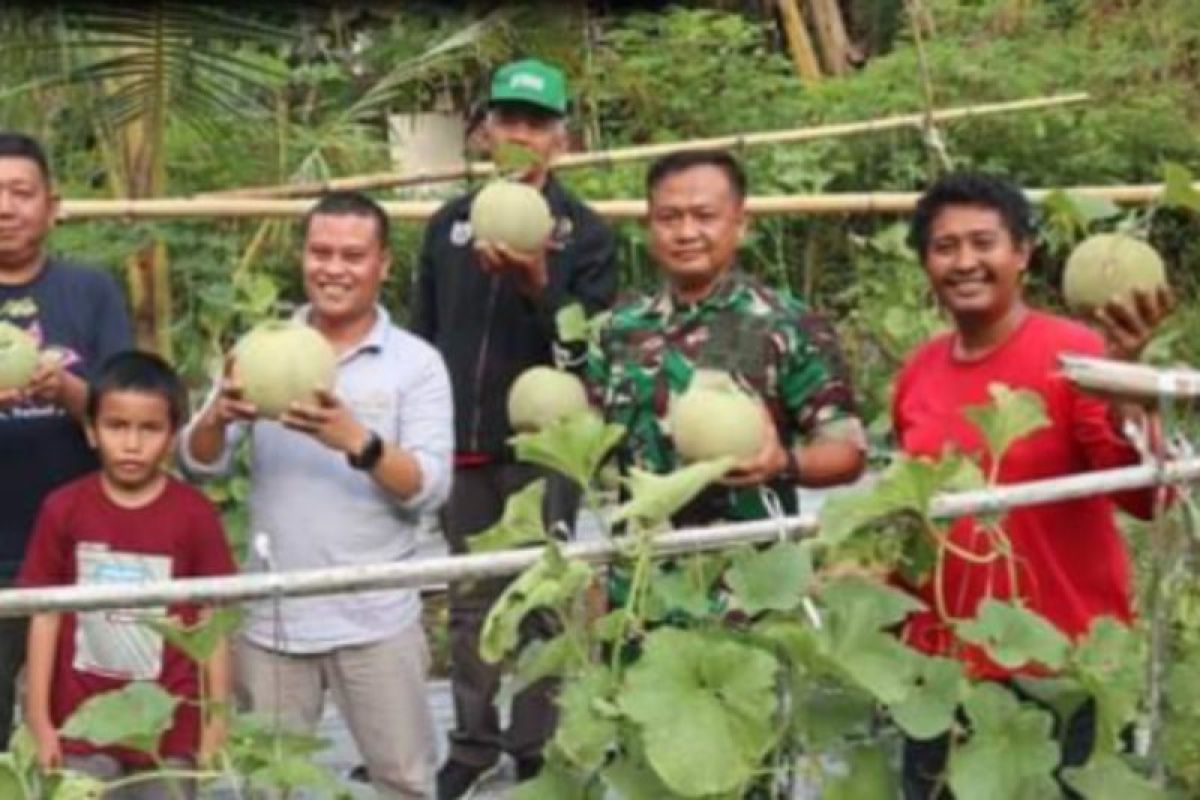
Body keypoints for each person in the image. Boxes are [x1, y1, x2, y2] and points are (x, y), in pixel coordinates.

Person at [893, 172, 1172, 798]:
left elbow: (1148, 497)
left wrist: (1128, 382)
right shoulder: (919, 371)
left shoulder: (1078, 354)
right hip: (942, 678)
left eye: (983, 242)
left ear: (1022, 253)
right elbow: (912, 521)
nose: (965, 262)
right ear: (925, 263)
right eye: (944, 247)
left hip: (1059, 671)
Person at [181, 191, 454, 799]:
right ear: (303, 256)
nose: (334, 268)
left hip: (377, 616)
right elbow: (200, 465)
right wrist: (218, 418)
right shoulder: (260, 349)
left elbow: (431, 489)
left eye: (353, 255)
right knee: (269, 788)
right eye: (320, 252)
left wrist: (360, 442)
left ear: (383, 264)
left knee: (405, 780)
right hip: (274, 616)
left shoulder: (417, 363)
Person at [410, 58, 617, 798]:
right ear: (487, 131)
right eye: (509, 121)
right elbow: (423, 338)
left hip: (544, 449)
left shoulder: (584, 235)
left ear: (560, 137)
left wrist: (538, 288)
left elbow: (587, 351)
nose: (521, 135)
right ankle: (471, 742)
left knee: (543, 597)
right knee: (469, 602)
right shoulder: (448, 224)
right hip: (461, 446)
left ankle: (534, 744)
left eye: (536, 123)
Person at [588, 148, 866, 529]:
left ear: (740, 224)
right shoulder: (617, 329)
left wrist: (784, 464)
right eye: (669, 218)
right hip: (641, 574)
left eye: (705, 217)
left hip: (750, 573)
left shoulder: (785, 324)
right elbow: (587, 439)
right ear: (650, 226)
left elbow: (847, 451)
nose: (686, 233)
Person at [18, 351, 234, 799]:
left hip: (171, 729)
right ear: (90, 430)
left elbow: (214, 622)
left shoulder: (194, 514)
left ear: (173, 436)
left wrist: (216, 721)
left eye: (150, 429)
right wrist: (39, 719)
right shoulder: (63, 509)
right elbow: (45, 616)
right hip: (82, 723)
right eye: (117, 427)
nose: (132, 444)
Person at [0, 132, 133, 746]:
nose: (5, 207)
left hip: (87, 554)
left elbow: (134, 416)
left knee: (94, 737)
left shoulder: (91, 290)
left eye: (20, 192)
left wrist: (70, 392)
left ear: (52, 205)